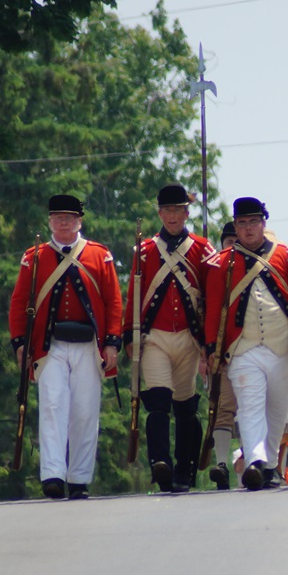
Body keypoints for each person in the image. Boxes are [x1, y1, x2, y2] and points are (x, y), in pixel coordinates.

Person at [10, 194, 123, 500]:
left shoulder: (100, 255)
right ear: (50, 222)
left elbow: (113, 300)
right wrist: (20, 343)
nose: (64, 223)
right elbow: (20, 303)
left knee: (85, 412)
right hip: (51, 346)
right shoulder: (33, 258)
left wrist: (112, 340)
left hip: (88, 345)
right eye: (58, 218)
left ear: (79, 221)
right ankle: (53, 475)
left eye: (69, 218)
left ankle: (79, 479)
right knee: (52, 407)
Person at [203, 197, 288, 491]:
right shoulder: (220, 263)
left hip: (282, 347)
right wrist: (212, 348)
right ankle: (254, 461)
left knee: (277, 409)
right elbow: (214, 308)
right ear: (235, 227)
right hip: (243, 348)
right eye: (242, 223)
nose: (248, 228)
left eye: (253, 222)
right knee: (249, 407)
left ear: (263, 224)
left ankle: (267, 465)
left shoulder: (287, 256)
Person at [123, 184, 214, 493]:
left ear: (187, 213)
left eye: (178, 210)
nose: (173, 216)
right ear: (159, 213)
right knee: (158, 400)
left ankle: (185, 469)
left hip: (190, 338)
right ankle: (160, 463)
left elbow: (212, 299)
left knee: (186, 406)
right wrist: (129, 334)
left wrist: (210, 343)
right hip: (156, 337)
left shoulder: (203, 249)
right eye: (167, 211)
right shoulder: (145, 250)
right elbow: (134, 295)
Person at [207, 220, 240, 490]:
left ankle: (257, 464)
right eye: (229, 241)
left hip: (254, 349)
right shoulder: (213, 269)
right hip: (223, 353)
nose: (233, 245)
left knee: (256, 411)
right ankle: (221, 463)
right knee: (222, 409)